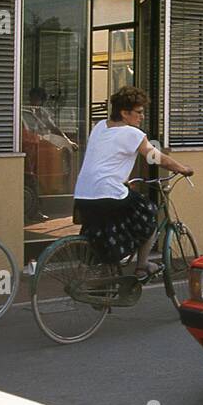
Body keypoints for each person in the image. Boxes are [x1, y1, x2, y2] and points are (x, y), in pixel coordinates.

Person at [72, 85, 192, 277]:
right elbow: (156, 158)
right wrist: (182, 168)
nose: (142, 116)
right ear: (124, 113)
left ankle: (106, 276)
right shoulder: (133, 134)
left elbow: (107, 159)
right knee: (149, 214)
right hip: (107, 192)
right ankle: (142, 266)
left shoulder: (99, 126)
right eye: (139, 112)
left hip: (83, 193)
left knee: (108, 229)